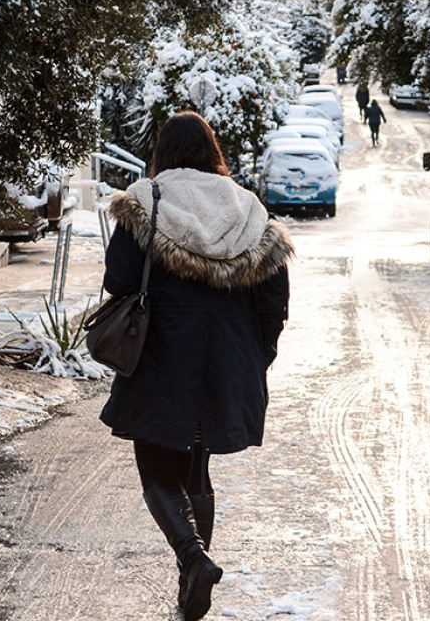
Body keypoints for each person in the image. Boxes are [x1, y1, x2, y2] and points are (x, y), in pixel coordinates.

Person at [99, 111, 294, 621]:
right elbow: (274, 296)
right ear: (213, 151)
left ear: (163, 151)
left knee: (156, 469)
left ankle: (194, 560)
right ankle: (192, 587)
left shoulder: (147, 201)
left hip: (162, 358)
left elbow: (119, 278)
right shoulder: (247, 209)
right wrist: (257, 356)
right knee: (198, 470)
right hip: (228, 359)